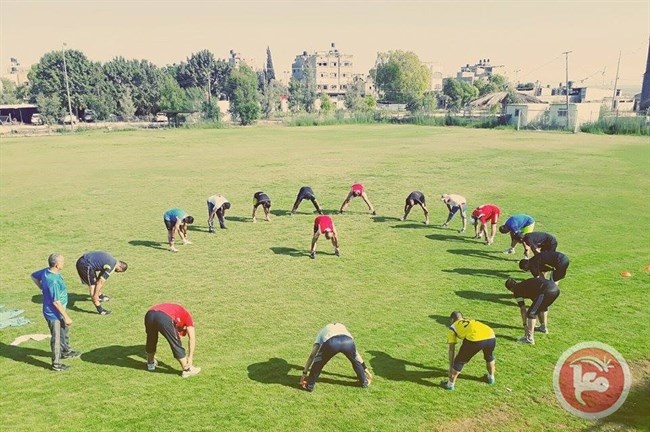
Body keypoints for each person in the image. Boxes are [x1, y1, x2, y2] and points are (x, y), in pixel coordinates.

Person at [36, 253, 80, 371]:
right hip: (53, 313)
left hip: (57, 311)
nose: (63, 263)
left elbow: (33, 276)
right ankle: (56, 364)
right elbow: (56, 302)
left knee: (63, 331)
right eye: (62, 261)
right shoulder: (53, 281)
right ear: (56, 265)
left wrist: (42, 288)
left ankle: (66, 351)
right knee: (56, 338)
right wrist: (66, 317)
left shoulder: (46, 271)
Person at [300, 323, 372, 392]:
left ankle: (309, 385)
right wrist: (365, 369)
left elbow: (312, 355)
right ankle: (364, 382)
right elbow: (356, 355)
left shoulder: (321, 332)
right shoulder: (343, 328)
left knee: (318, 363)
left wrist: (304, 373)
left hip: (332, 343)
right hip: (348, 342)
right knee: (355, 361)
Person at [144, 303, 201, 378]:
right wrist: (190, 358)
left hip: (149, 314)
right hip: (164, 317)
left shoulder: (179, 313)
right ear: (185, 327)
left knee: (151, 339)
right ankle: (187, 369)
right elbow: (192, 338)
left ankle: (150, 364)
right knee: (175, 343)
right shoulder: (188, 318)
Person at [442, 311, 496, 390]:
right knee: (489, 357)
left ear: (452, 319)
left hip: (475, 339)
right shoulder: (471, 320)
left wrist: (451, 366)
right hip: (491, 335)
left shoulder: (453, 327)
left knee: (459, 361)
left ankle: (450, 385)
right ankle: (491, 378)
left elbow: (451, 349)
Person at [505, 277, 560, 343]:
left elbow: (523, 309)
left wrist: (525, 325)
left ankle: (529, 338)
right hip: (555, 289)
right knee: (542, 307)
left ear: (510, 289)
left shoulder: (516, 291)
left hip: (546, 290)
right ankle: (543, 327)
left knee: (531, 314)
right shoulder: (525, 284)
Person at [75, 251, 128, 315]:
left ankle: (100, 296)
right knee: (92, 286)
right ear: (120, 267)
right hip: (84, 265)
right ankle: (100, 309)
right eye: (119, 271)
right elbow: (100, 282)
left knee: (95, 282)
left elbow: (99, 278)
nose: (117, 272)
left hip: (86, 262)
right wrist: (95, 295)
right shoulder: (111, 266)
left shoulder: (112, 260)